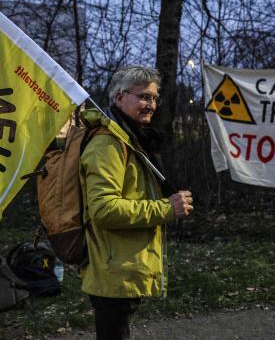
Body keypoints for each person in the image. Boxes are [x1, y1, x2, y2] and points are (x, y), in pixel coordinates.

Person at [79, 66, 193, 339]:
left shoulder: (131, 139)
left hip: (123, 266)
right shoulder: (108, 144)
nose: (150, 105)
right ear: (119, 98)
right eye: (143, 97)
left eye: (154, 98)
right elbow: (104, 210)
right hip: (113, 269)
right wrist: (167, 208)